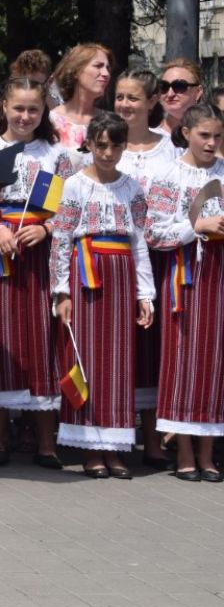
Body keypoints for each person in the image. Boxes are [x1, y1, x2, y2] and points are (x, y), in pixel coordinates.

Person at [0, 78, 78, 468]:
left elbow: (70, 207)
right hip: (1, 255)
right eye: (18, 108)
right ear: (4, 106)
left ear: (43, 111)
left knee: (42, 342)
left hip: (40, 256)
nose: (25, 116)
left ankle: (47, 443)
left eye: (33, 109)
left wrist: (47, 228)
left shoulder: (56, 155)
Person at [50, 113, 154, 477]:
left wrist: (145, 294)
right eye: (101, 145)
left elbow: (139, 242)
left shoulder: (132, 188)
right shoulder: (74, 186)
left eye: (115, 146)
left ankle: (115, 446)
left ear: (125, 147)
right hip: (87, 273)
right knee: (88, 357)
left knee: (118, 359)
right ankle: (91, 447)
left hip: (121, 276)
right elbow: (61, 239)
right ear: (90, 145)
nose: (108, 153)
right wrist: (61, 292)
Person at [145, 104, 224, 481]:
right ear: (187, 133)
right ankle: (185, 451)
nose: (211, 143)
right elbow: (154, 232)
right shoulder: (168, 174)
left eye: (217, 136)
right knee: (183, 358)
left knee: (216, 361)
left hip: (220, 276)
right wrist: (198, 225)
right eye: (204, 135)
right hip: (186, 276)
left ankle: (208, 452)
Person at [115, 69, 178, 467]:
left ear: (152, 101)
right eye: (119, 97)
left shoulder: (170, 148)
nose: (124, 105)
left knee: (152, 350)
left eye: (133, 98)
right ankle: (116, 441)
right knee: (118, 350)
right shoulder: (104, 143)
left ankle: (154, 442)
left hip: (158, 258)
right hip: (112, 259)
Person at [50, 44, 113, 150]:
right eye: (98, 66)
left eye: (108, 68)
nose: (106, 73)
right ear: (76, 71)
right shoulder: (50, 121)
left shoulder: (110, 122)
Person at [156, 58, 206, 139]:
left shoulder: (215, 138)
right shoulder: (144, 139)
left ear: (198, 92)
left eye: (179, 86)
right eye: (164, 86)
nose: (170, 94)